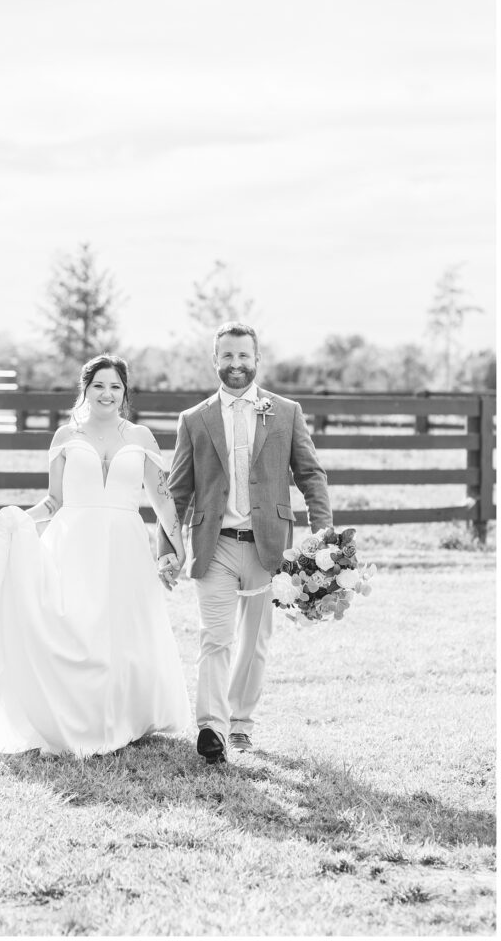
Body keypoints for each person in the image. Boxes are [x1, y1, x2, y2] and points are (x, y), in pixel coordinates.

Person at [0, 354, 191, 756]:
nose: (107, 393)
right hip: (74, 542)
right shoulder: (65, 437)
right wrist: (18, 521)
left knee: (124, 630)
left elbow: (164, 503)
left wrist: (177, 548)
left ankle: (125, 716)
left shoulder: (142, 438)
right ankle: (77, 716)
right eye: (99, 385)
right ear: (86, 389)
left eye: (115, 386)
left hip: (125, 544)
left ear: (125, 393)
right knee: (79, 628)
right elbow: (54, 501)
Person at [157, 322, 332, 765]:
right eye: (227, 356)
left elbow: (310, 475)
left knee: (254, 641)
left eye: (244, 356)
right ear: (215, 361)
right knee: (215, 638)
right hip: (213, 545)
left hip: (268, 547)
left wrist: (322, 532)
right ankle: (211, 728)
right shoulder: (194, 420)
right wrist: (167, 548)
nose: (236, 365)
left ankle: (239, 726)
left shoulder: (286, 412)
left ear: (257, 359)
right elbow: (177, 492)